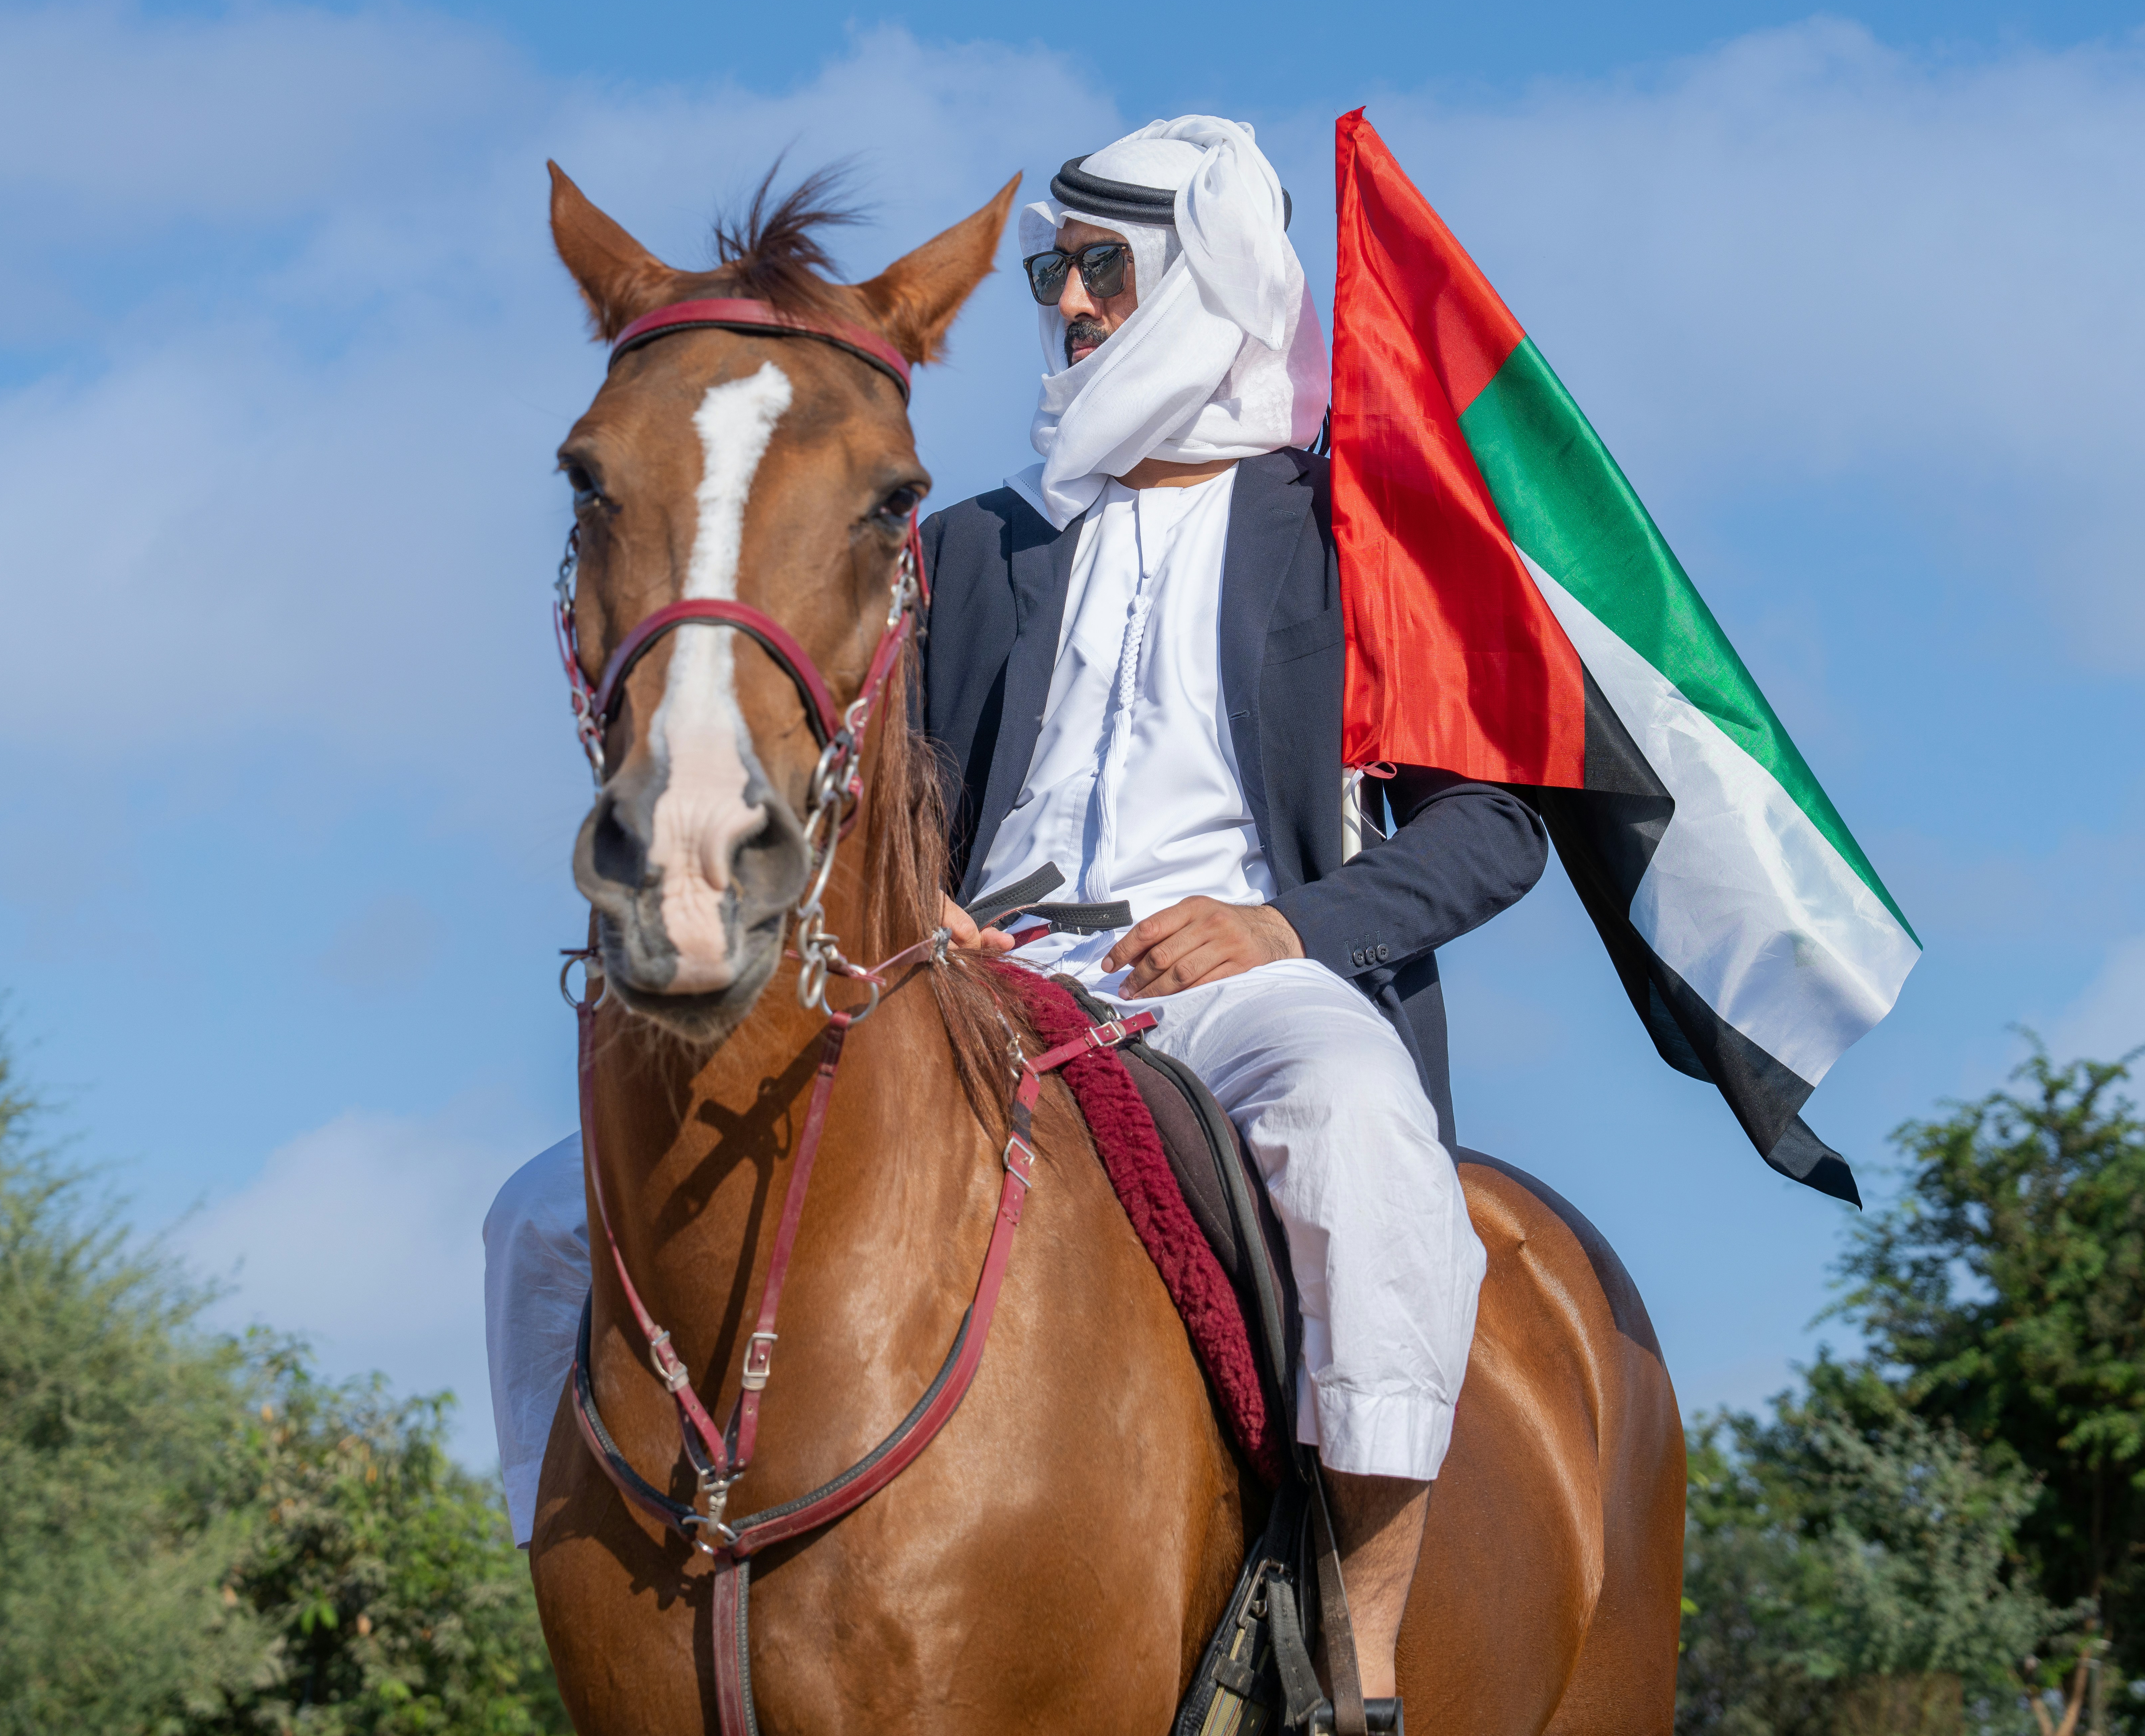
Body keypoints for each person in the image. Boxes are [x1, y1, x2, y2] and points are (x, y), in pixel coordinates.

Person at [484, 118, 1546, 1710]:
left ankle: (1359, 1655)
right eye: (1052, 273)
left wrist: (1289, 933)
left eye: (1101, 269)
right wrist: (926, 906)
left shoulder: (1354, 539)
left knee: (1355, 1127)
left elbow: (1495, 826)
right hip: (986, 974)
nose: (1068, 304)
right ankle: (595, 1620)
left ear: (1215, 272)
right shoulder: (971, 542)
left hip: (1241, 981)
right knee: (535, 1217)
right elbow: (858, 774)